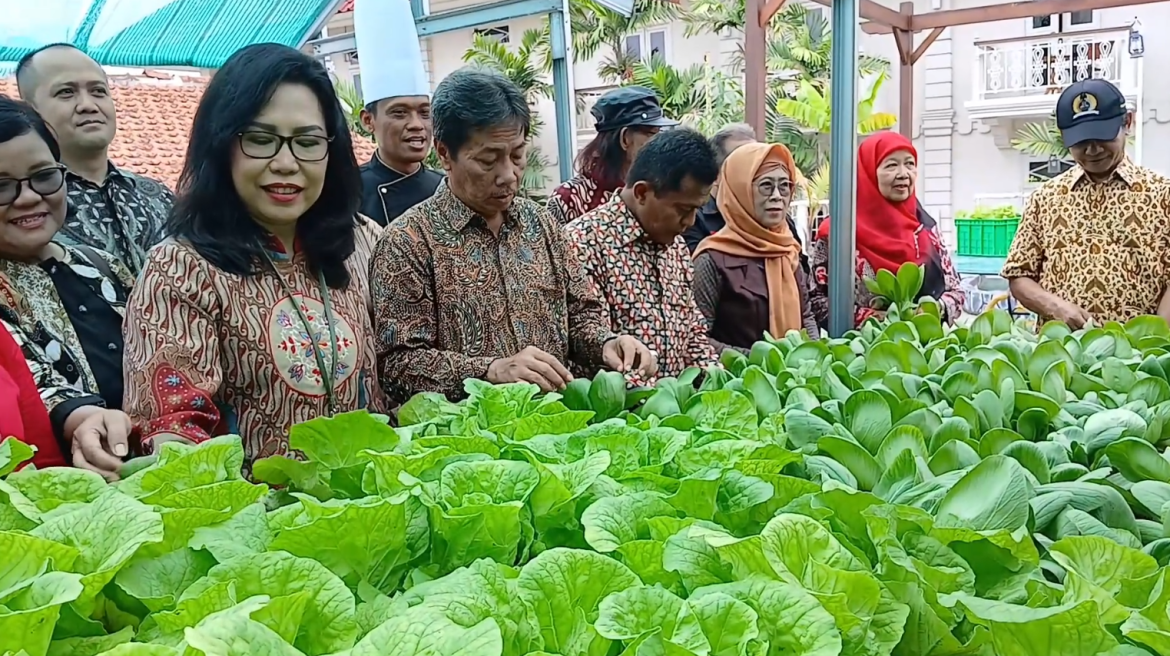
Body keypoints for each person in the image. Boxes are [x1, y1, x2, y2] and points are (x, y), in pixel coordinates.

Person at [122, 44, 385, 464]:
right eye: (261, 140)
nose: (285, 163)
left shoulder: (364, 243)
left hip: (372, 508)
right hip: (253, 518)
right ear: (221, 145)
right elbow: (173, 426)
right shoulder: (182, 270)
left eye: (307, 141)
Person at [371, 68, 657, 403]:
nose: (508, 176)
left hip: (559, 430)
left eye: (517, 155)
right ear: (445, 153)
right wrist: (491, 372)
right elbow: (398, 365)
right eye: (488, 160)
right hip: (468, 444)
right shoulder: (408, 242)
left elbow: (581, 317)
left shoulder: (543, 225)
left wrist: (608, 343)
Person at [0, 97, 133, 479]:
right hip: (61, 492)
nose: (28, 197)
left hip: (152, 467)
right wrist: (81, 417)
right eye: (2, 185)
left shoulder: (102, 265)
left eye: (43, 176)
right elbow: (35, 379)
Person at [1003, 79, 1170, 326]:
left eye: (1102, 137)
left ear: (1128, 123)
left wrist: (1153, 340)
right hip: (1061, 357)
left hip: (1138, 359)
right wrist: (1056, 307)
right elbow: (1018, 275)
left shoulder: (1162, 195)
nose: (1092, 150)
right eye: (1080, 142)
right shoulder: (1045, 198)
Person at [564, 128, 719, 379]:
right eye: (682, 209)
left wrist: (717, 385)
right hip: (620, 414)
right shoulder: (583, 244)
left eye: (697, 210)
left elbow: (693, 336)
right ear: (642, 193)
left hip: (677, 411)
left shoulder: (676, 248)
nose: (690, 222)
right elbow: (593, 342)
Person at [16, 44, 172, 275]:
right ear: (30, 109)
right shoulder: (22, 206)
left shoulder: (160, 197)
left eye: (98, 91)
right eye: (66, 92)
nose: (88, 105)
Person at [809, 131, 964, 328]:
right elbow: (817, 301)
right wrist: (879, 320)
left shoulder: (926, 229)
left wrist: (934, 309)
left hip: (925, 350)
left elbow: (957, 291)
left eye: (910, 164)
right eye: (891, 165)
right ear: (868, 172)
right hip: (858, 351)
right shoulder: (837, 234)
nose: (904, 173)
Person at [692, 142, 819, 350]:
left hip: (795, 377)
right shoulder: (712, 258)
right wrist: (757, 360)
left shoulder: (788, 249)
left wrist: (816, 353)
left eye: (785, 186)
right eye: (766, 186)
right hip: (735, 379)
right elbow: (695, 338)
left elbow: (806, 316)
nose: (777, 196)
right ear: (740, 190)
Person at [354, 0, 443, 226]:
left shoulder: (449, 189)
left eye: (424, 112)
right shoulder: (346, 192)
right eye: (400, 112)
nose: (416, 124)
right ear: (368, 120)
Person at [545, 86, 675, 225]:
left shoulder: (658, 192)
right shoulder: (569, 198)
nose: (658, 143)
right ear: (625, 139)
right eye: (651, 134)